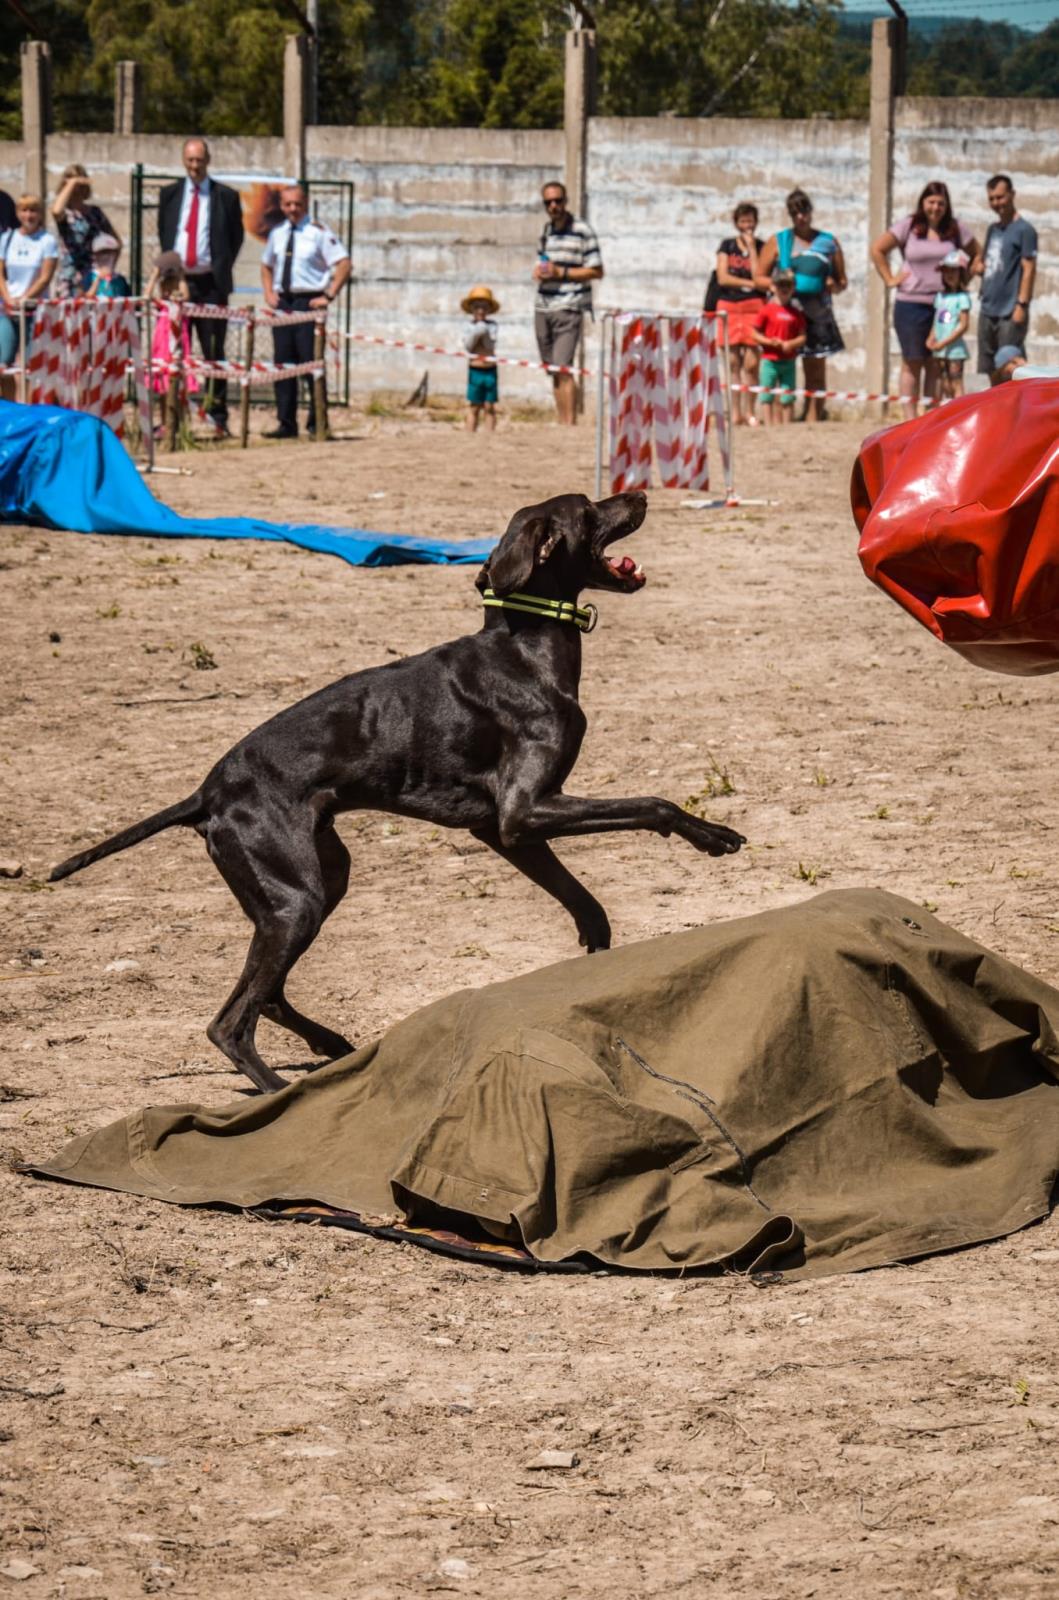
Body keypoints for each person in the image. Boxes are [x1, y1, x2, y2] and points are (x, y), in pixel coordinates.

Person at [157, 138, 245, 438]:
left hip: (211, 285)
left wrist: (218, 267)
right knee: (173, 351)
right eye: (190, 160)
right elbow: (165, 234)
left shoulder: (226, 197)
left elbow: (236, 238)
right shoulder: (169, 195)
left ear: (208, 160)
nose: (195, 166)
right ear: (184, 160)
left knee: (213, 353)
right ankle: (172, 418)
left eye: (200, 161)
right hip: (178, 284)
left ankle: (217, 417)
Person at [870, 181, 978, 417]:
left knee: (935, 364)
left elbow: (977, 255)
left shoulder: (956, 229)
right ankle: (909, 419)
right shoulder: (909, 226)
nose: (936, 207)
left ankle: (930, 416)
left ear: (947, 205)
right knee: (912, 361)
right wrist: (890, 278)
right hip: (910, 304)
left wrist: (962, 283)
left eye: (940, 202)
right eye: (931, 202)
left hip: (943, 306)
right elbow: (877, 249)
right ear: (922, 203)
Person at [260, 184, 350, 441]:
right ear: (281, 206)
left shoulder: (319, 233)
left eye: (297, 204)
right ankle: (286, 423)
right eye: (287, 204)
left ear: (306, 204)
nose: (292, 209)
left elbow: (344, 263)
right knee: (283, 365)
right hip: (283, 304)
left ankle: (317, 422)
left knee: (311, 364)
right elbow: (266, 265)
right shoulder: (277, 233)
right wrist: (268, 293)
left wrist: (328, 295)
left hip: (308, 303)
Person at [756, 189, 846, 422]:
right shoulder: (779, 240)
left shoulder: (828, 241)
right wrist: (783, 286)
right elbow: (759, 277)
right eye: (795, 213)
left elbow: (841, 280)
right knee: (778, 365)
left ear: (810, 212)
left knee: (815, 368)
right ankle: (778, 418)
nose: (800, 217)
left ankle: (813, 416)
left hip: (817, 313)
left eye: (804, 211)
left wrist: (832, 284)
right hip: (786, 313)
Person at [533, 180, 603, 426]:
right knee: (552, 369)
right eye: (548, 202)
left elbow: (596, 271)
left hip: (569, 305)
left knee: (564, 367)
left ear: (566, 201)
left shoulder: (583, 230)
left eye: (558, 200)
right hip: (543, 306)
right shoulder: (546, 231)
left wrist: (560, 273)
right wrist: (541, 273)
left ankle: (570, 424)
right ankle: (562, 421)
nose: (554, 206)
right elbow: (544, 265)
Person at [972, 174, 1037, 387]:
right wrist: (979, 268)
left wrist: (1022, 305)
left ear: (1012, 195)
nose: (996, 203)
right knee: (988, 368)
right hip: (988, 307)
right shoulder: (993, 229)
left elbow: (1029, 269)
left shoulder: (1025, 230)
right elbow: (990, 262)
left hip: (1010, 310)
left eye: (1000, 197)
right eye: (991, 198)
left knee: (1010, 368)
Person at [713, 202, 766, 426]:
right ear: (736, 223)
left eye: (750, 220)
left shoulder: (762, 246)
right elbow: (723, 277)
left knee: (752, 364)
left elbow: (760, 277)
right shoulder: (726, 245)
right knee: (733, 363)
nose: (747, 225)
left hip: (755, 306)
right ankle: (735, 412)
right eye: (743, 221)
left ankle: (751, 412)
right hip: (730, 306)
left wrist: (752, 249)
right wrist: (748, 282)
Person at [0, 195, 58, 400]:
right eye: (24, 210)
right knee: (3, 364)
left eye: (33, 210)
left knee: (28, 367)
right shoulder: (7, 238)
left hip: (34, 310)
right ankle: (7, 410)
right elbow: (1, 273)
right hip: (7, 310)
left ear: (40, 214)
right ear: (18, 213)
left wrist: (25, 299)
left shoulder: (47, 241)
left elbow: (45, 277)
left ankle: (27, 410)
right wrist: (8, 298)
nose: (29, 215)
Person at [145, 250, 199, 430]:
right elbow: (147, 296)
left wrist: (181, 274)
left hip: (177, 342)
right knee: (162, 385)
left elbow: (185, 295)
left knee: (177, 384)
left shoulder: (179, 304)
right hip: (162, 344)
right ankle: (165, 423)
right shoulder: (162, 304)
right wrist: (155, 275)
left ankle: (178, 423)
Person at [51, 163, 121, 299]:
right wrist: (72, 183)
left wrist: (108, 268)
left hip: (93, 278)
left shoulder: (95, 213)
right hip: (70, 278)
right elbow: (56, 211)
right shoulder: (66, 213)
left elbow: (116, 243)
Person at [749, 268, 806, 426]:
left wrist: (790, 344)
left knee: (787, 395)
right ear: (773, 287)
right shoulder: (766, 310)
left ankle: (786, 425)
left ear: (793, 288)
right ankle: (768, 425)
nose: (784, 289)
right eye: (781, 285)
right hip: (769, 360)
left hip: (788, 361)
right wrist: (768, 342)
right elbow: (754, 333)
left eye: (788, 285)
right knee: (767, 394)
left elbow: (802, 337)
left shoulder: (796, 313)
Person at [926, 248, 971, 401]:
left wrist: (944, 342)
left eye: (954, 271)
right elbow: (937, 320)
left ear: (961, 274)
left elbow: (964, 325)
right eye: (946, 271)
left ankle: (958, 415)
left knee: (956, 382)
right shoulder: (940, 297)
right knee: (944, 383)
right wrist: (931, 337)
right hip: (940, 349)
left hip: (955, 350)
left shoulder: (962, 297)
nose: (949, 275)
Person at [461, 284, 500, 433]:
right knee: (474, 405)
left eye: (484, 307)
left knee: (489, 406)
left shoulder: (493, 326)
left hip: (490, 370)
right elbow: (469, 346)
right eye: (477, 307)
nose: (480, 311)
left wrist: (483, 330)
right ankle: (470, 434)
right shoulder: (468, 326)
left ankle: (490, 435)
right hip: (475, 370)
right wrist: (477, 331)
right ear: (471, 309)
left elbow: (489, 346)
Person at [85, 233, 132, 300]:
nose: (107, 256)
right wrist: (98, 279)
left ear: (116, 256)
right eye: (103, 253)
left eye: (111, 253)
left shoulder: (120, 280)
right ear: (95, 256)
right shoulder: (90, 277)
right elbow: (85, 300)